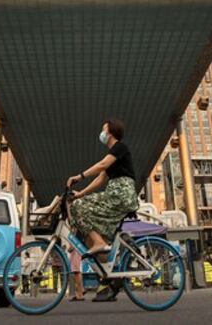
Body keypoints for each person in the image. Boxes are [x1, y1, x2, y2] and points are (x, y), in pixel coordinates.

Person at [67, 118, 139, 302]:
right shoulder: (114, 156)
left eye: (103, 130)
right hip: (115, 193)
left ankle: (99, 243)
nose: (102, 133)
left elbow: (101, 165)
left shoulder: (119, 148)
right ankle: (106, 269)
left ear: (111, 132)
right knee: (80, 205)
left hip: (120, 194)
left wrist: (79, 176)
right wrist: (80, 194)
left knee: (78, 208)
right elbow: (100, 179)